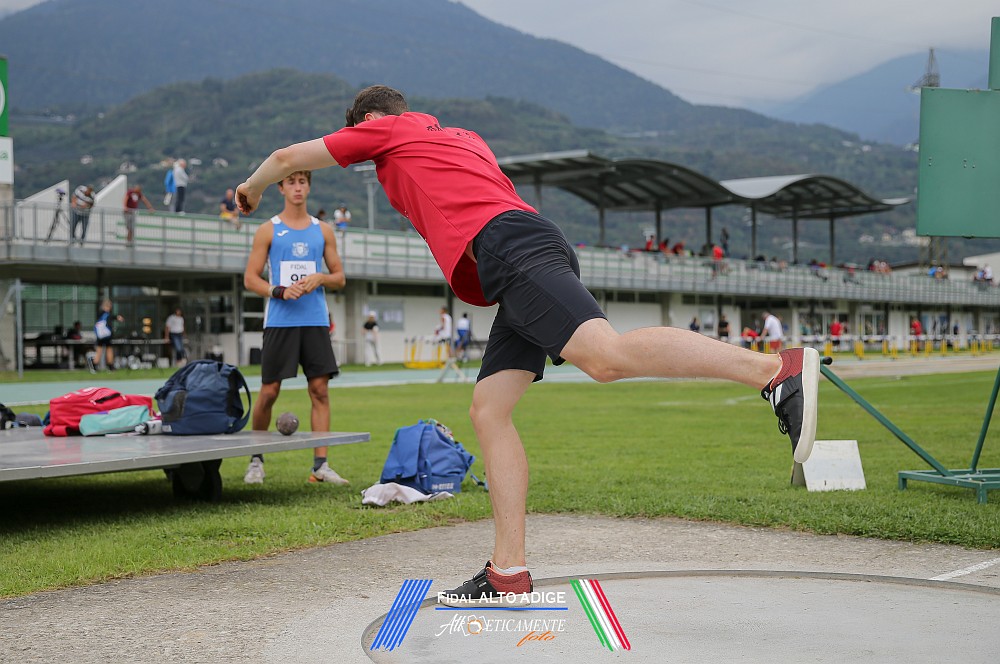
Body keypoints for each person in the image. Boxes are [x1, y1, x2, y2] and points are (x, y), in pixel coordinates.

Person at [234, 84, 819, 605]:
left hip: (511, 249)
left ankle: (773, 370)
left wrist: (250, 188)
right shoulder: (461, 137)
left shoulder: (387, 131)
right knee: (489, 409)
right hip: (518, 250)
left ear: (366, 123)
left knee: (605, 358)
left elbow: (287, 158)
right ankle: (507, 570)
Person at [241, 169, 349, 487]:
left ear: (309, 187)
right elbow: (250, 279)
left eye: (302, 182)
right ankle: (256, 461)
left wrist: (321, 278)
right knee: (269, 392)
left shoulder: (323, 231)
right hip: (281, 321)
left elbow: (340, 278)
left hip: (315, 321)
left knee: (320, 391)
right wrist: (279, 291)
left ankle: (321, 465)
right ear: (281, 188)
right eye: (291, 182)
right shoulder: (268, 230)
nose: (297, 188)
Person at [93, 300, 124, 372]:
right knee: (108, 350)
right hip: (106, 336)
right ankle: (110, 366)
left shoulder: (100, 313)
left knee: (100, 350)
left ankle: (95, 366)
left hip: (100, 336)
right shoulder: (106, 314)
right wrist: (117, 317)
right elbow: (111, 318)